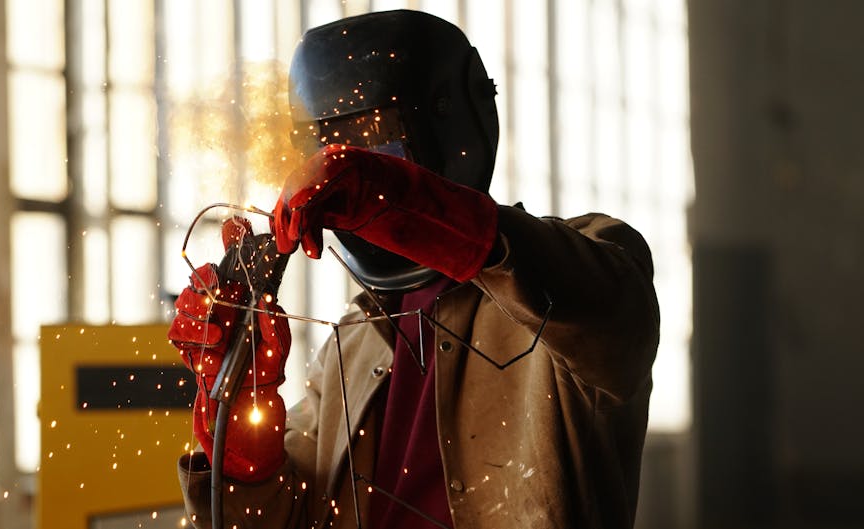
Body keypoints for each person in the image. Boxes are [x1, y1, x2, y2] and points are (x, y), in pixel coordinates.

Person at [169, 9, 659, 529]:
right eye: (334, 142)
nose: (358, 159)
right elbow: (282, 520)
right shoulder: (351, 344)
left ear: (448, 126)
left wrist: (407, 199)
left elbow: (599, 312)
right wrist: (247, 452)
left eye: (378, 138)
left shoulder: (591, 259)